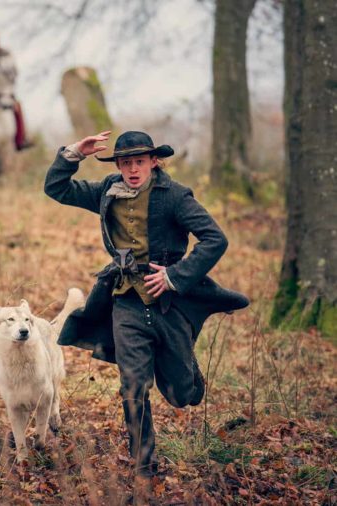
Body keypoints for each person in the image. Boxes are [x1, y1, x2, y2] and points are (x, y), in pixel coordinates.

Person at [44, 131, 249, 496]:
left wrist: (175, 276)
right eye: (126, 163)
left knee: (181, 393)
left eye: (139, 161)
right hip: (125, 303)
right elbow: (57, 189)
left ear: (154, 162)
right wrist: (73, 153)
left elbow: (215, 239)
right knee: (133, 386)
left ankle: (188, 372)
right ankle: (144, 465)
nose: (133, 169)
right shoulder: (108, 190)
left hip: (168, 304)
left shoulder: (175, 197)